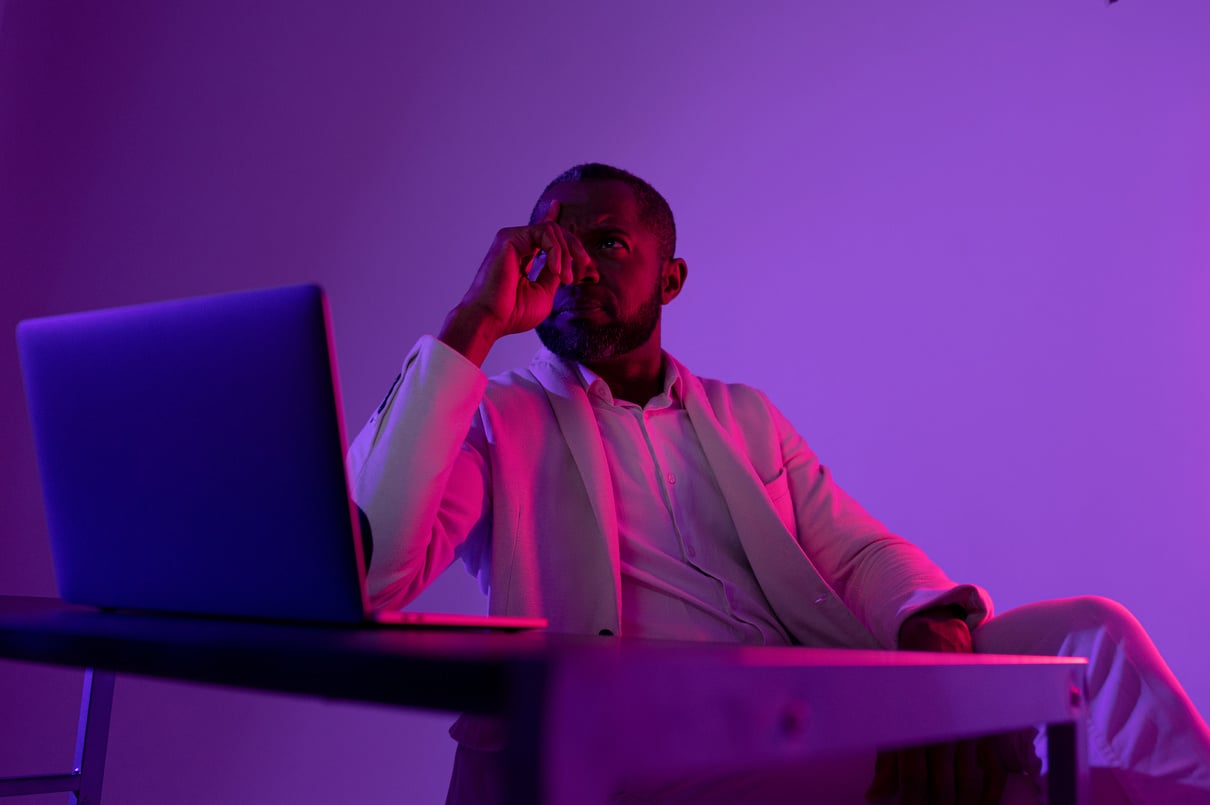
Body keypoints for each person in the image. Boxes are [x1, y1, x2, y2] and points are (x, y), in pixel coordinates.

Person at [346, 163, 1210, 804]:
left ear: (670, 278)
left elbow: (859, 549)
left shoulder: (741, 415)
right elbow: (373, 571)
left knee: (1091, 633)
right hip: (663, 744)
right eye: (553, 246)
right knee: (1037, 788)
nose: (573, 268)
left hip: (815, 694)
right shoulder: (500, 416)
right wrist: (477, 319)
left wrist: (932, 633)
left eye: (606, 243)